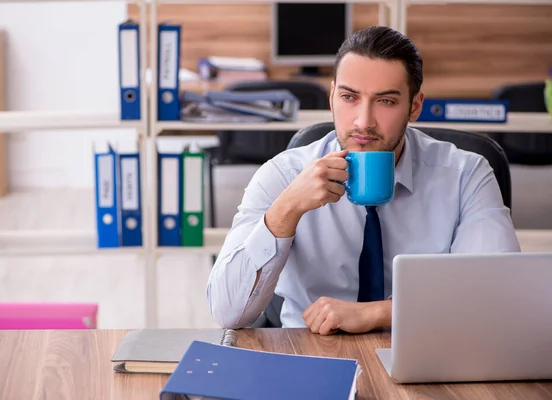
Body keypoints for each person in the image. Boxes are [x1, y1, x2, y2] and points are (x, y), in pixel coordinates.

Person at [206, 26, 521, 335]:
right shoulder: (283, 174)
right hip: (310, 354)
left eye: (385, 101)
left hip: (426, 350)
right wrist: (286, 209)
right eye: (349, 97)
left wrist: (378, 314)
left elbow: (497, 298)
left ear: (414, 106)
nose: (363, 121)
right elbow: (227, 312)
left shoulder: (467, 175)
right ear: (332, 97)